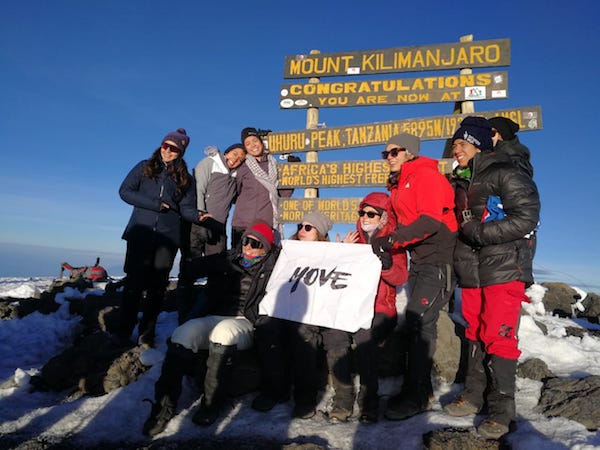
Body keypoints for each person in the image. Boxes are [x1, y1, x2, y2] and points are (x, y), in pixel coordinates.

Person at [443, 116, 540, 440]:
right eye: (454, 144)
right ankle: (473, 396)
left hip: (503, 267)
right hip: (471, 269)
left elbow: (527, 217)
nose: (455, 149)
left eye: (461, 143)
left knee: (498, 335)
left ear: (479, 144)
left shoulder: (506, 171)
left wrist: (480, 232)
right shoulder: (461, 183)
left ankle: (502, 410)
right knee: (474, 330)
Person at [142, 222, 278, 436]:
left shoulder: (275, 266)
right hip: (216, 315)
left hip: (246, 321)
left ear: (268, 248)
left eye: (256, 243)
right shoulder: (228, 258)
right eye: (245, 241)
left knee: (224, 333)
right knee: (183, 334)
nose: (248, 247)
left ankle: (212, 403)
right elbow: (189, 270)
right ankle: (163, 408)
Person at [370, 132, 458, 421]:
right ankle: (417, 391)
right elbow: (398, 221)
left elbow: (430, 221)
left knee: (420, 322)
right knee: (417, 322)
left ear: (410, 152)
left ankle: (417, 395)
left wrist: (393, 241)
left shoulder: (425, 176)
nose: (389, 157)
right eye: (386, 153)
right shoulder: (399, 184)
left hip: (438, 260)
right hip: (421, 261)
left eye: (394, 151)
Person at [323, 192, 408, 424]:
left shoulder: (394, 242)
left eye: (371, 213)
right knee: (335, 337)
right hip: (350, 306)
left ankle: (369, 402)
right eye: (362, 212)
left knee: (366, 339)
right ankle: (343, 398)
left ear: (383, 217)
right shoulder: (355, 240)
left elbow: (400, 277)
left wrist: (386, 265)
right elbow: (333, 275)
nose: (365, 217)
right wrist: (342, 250)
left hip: (380, 308)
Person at [117, 128, 199, 348]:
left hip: (167, 239)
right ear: (161, 145)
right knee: (133, 284)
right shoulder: (144, 166)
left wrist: (200, 216)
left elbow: (187, 208)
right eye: (166, 146)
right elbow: (125, 191)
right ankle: (123, 331)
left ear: (180, 152)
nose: (168, 151)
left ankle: (147, 333)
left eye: (174, 149)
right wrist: (154, 204)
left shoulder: (185, 179)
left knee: (157, 288)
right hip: (140, 234)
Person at [251, 211, 332, 420]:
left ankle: (305, 398)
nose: (301, 231)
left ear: (320, 233)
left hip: (311, 313)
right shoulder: (287, 251)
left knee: (304, 336)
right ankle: (274, 390)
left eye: (308, 227)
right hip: (283, 310)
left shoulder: (330, 255)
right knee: (266, 330)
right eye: (300, 226)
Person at [176, 143, 246, 324]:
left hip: (218, 227)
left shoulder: (235, 175)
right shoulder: (210, 162)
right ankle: (183, 314)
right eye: (235, 153)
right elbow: (198, 188)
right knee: (189, 268)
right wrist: (199, 214)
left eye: (241, 157)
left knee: (218, 271)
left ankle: (205, 311)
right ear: (227, 152)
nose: (236, 158)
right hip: (196, 224)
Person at [230, 127, 293, 251]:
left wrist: (293, 170)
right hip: (243, 224)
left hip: (267, 225)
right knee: (239, 264)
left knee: (266, 264)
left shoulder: (274, 165)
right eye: (247, 143)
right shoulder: (242, 166)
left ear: (261, 142)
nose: (253, 145)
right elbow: (233, 191)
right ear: (245, 148)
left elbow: (282, 194)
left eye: (255, 140)